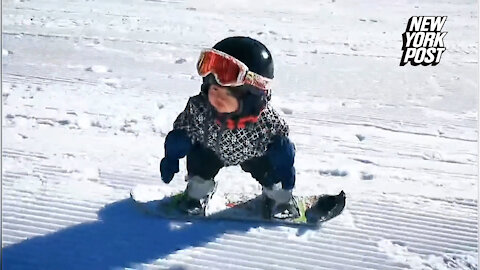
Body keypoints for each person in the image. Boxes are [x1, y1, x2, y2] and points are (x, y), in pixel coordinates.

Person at [159, 36, 300, 219]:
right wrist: (174, 151)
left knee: (273, 171)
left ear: (251, 96)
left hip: (254, 154)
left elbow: (281, 143)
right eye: (214, 89)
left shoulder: (265, 121)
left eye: (227, 93)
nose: (217, 97)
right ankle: (197, 194)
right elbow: (185, 129)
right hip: (211, 150)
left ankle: (279, 198)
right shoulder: (199, 109)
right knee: (199, 164)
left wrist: (285, 162)